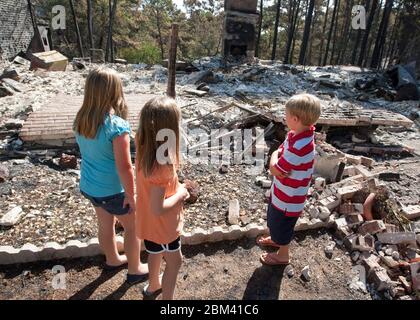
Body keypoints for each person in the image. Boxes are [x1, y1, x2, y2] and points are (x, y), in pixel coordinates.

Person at [73, 67, 148, 284]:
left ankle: (113, 258)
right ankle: (135, 269)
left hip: (90, 186)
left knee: (105, 224)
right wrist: (132, 195)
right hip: (113, 190)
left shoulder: (80, 120)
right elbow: (125, 167)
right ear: (114, 92)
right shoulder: (117, 127)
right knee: (132, 227)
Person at [135, 97, 190, 299]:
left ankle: (153, 285)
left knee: (154, 253)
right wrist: (181, 193)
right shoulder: (162, 166)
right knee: (175, 262)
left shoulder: (142, 146)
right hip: (163, 226)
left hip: (148, 224)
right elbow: (158, 208)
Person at [257, 93, 321, 266]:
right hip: (285, 192)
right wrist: (278, 156)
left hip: (288, 199)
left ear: (295, 118)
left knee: (282, 226)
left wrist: (274, 155)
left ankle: (282, 255)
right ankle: (277, 239)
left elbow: (275, 169)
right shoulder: (297, 134)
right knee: (274, 220)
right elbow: (281, 163)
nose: (284, 118)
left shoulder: (299, 146)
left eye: (286, 115)